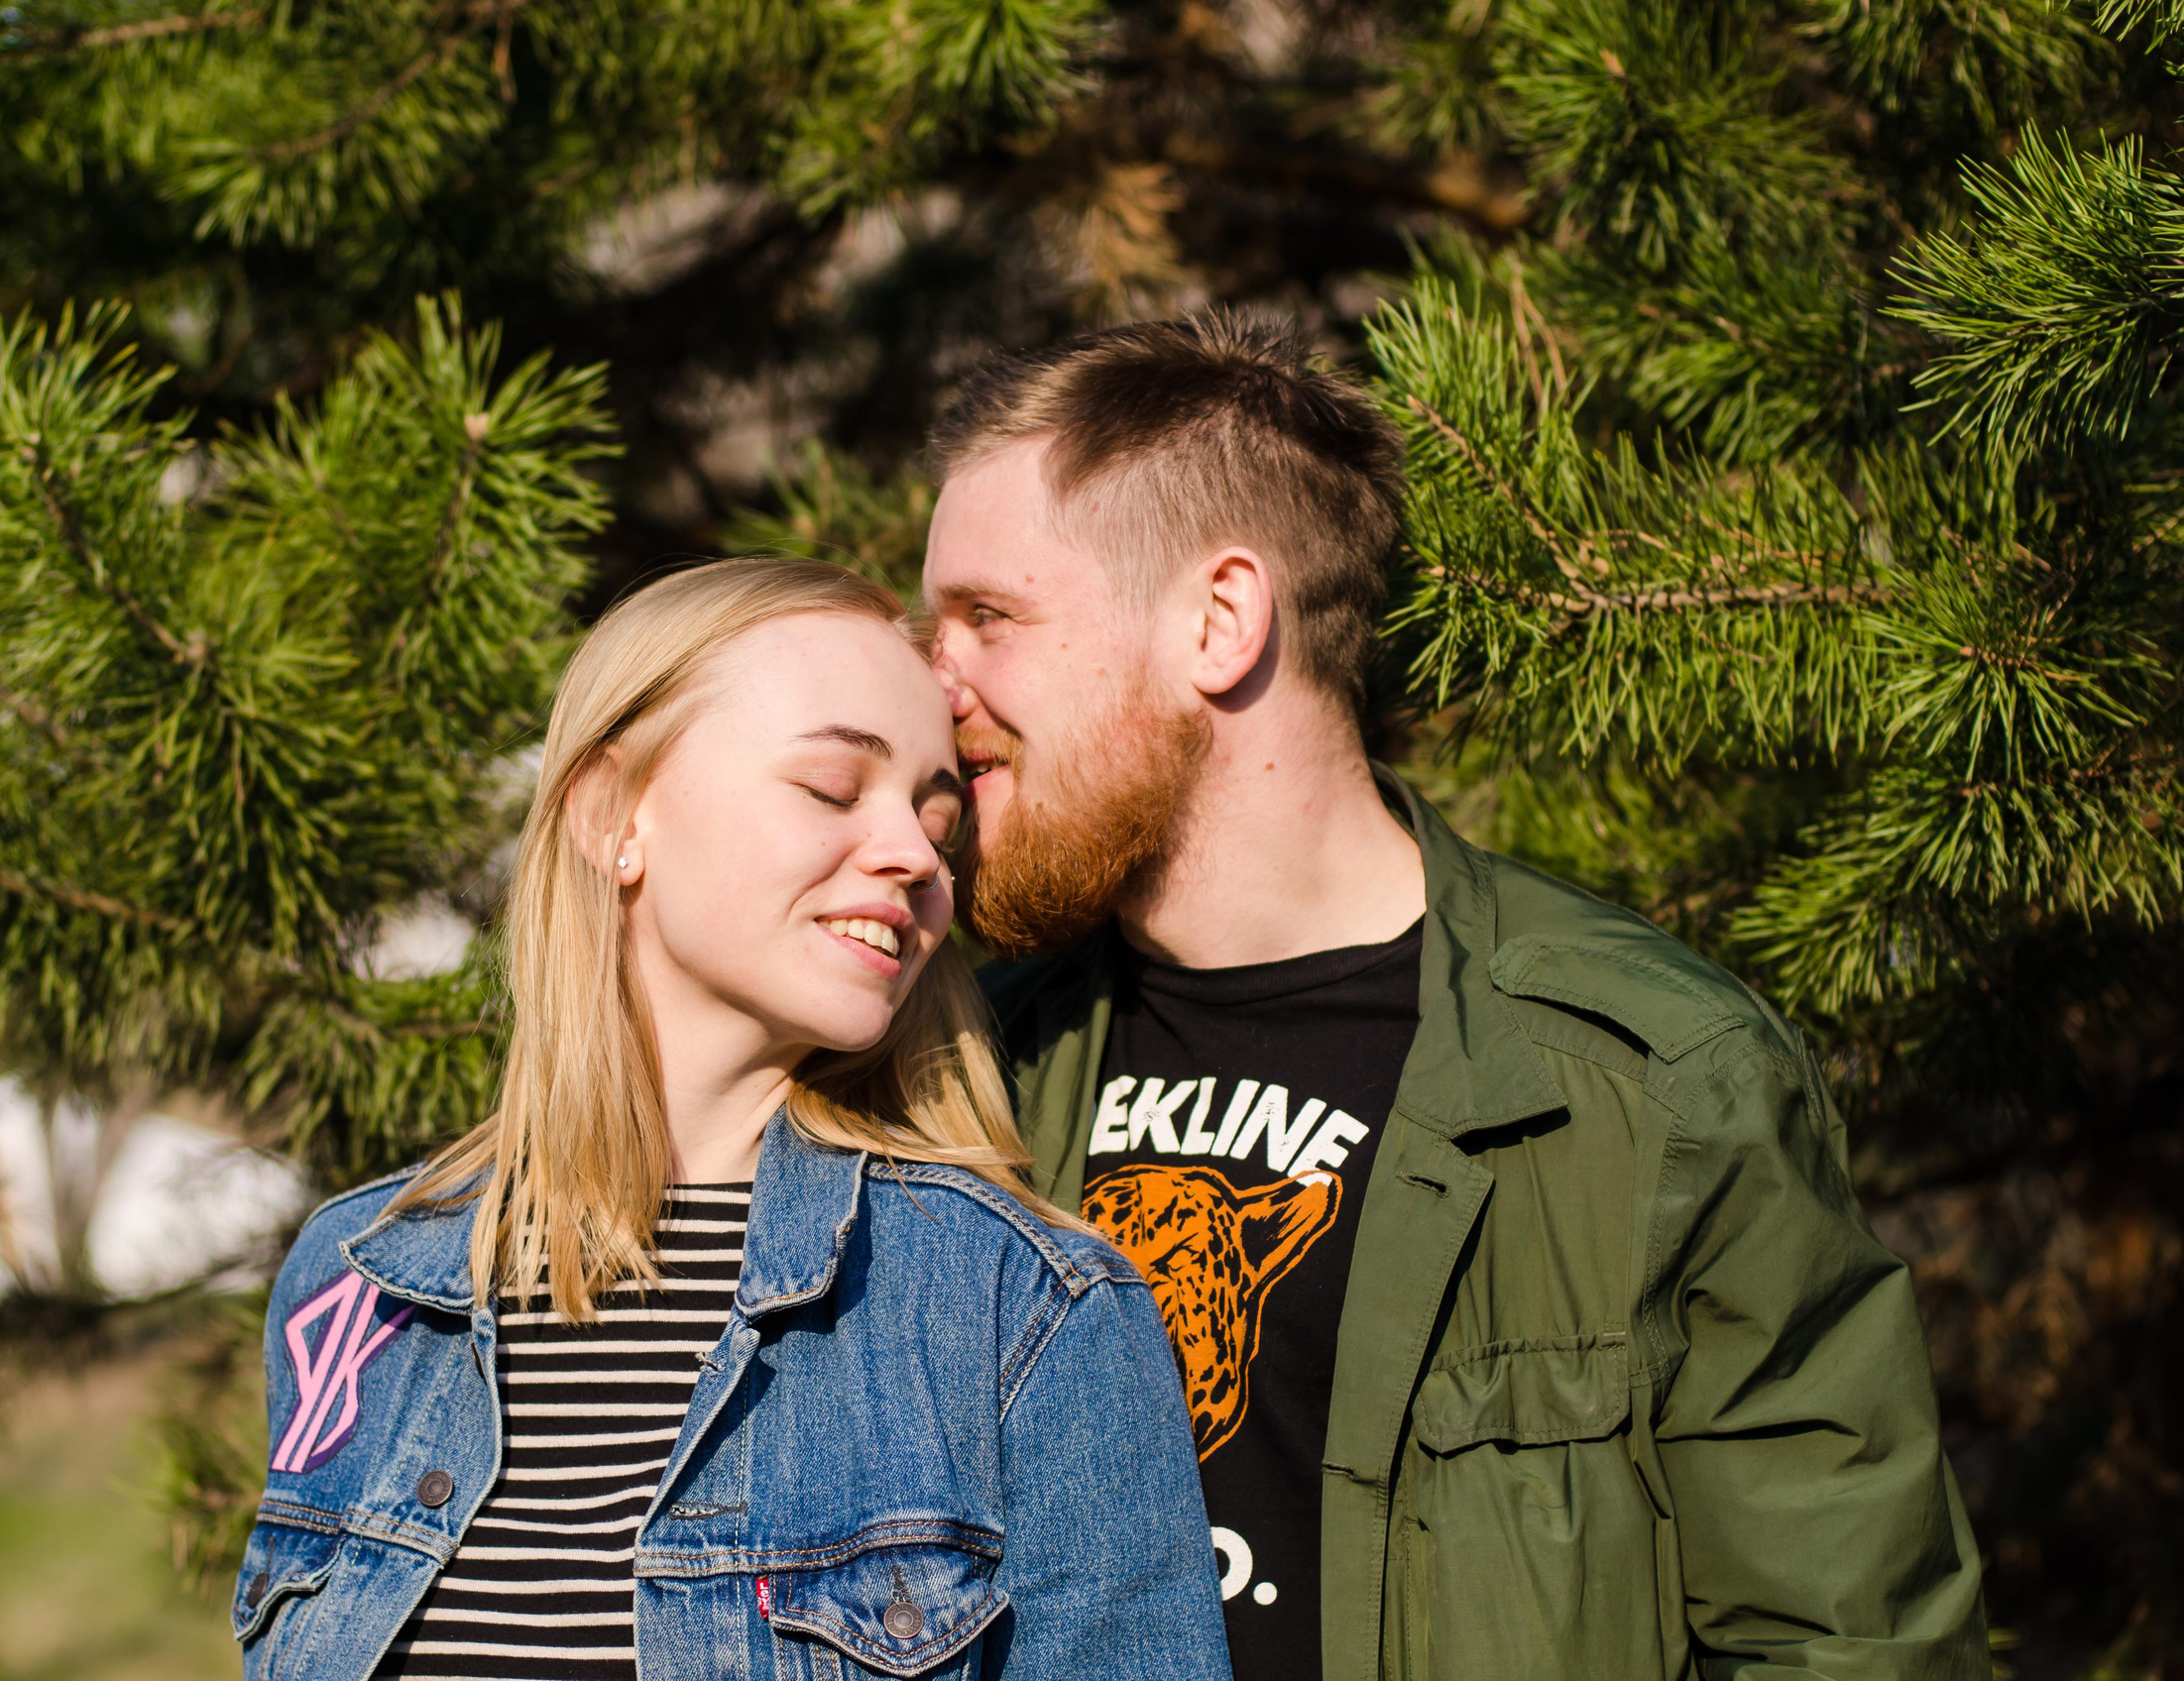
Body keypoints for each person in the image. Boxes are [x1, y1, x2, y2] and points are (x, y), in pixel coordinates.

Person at [923, 316, 1990, 1681]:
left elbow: (1849, 1646)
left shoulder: (1648, 1086)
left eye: (988, 620)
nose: (933, 682)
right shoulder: (978, 1060)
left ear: (1219, 619)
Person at [232, 558, 1229, 1681]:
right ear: (612, 814)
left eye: (937, 823)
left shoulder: (1022, 1310)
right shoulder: (360, 1285)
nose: (911, 854)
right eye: (832, 787)